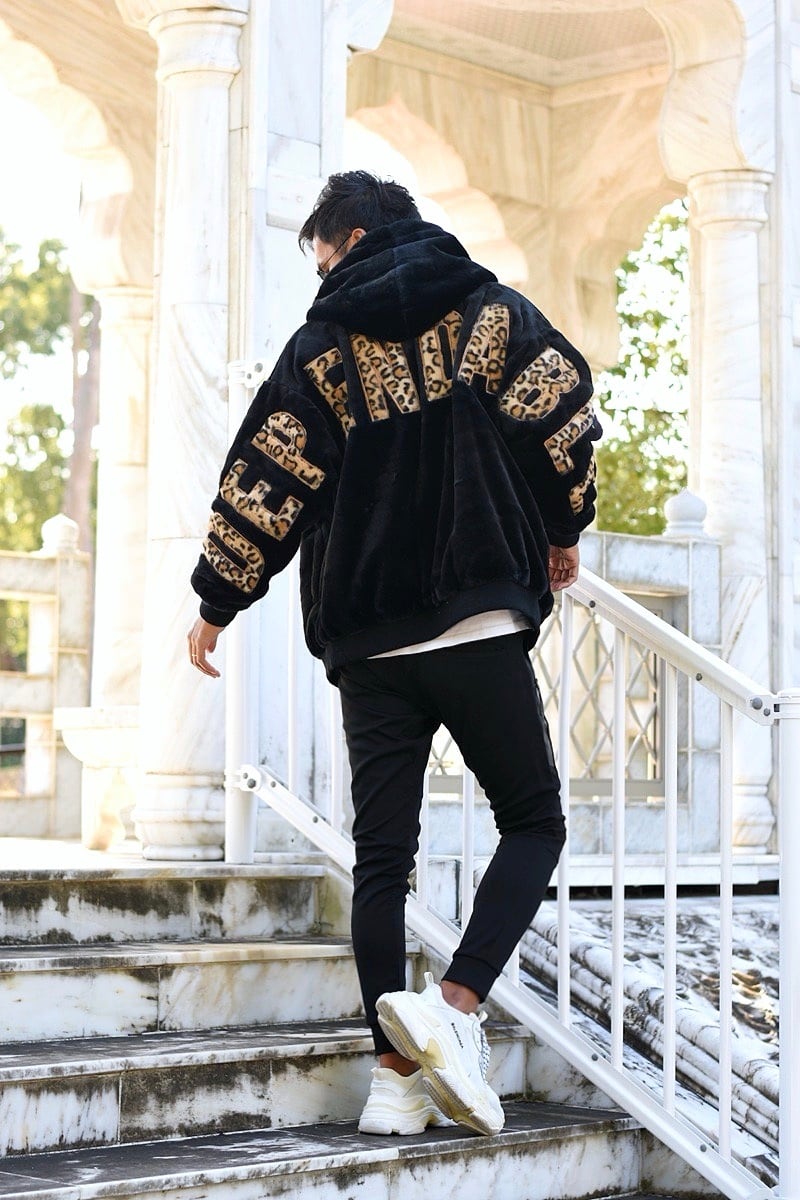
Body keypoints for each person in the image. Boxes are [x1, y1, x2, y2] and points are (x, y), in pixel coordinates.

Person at [187, 170, 601, 1138]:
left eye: (321, 255)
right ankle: (455, 1005)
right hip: (475, 617)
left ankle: (391, 1083)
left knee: (382, 859)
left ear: (355, 237)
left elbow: (266, 474)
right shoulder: (492, 315)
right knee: (533, 821)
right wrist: (563, 526)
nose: (321, 274)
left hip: (369, 638)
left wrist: (218, 598)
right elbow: (564, 416)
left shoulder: (320, 349)